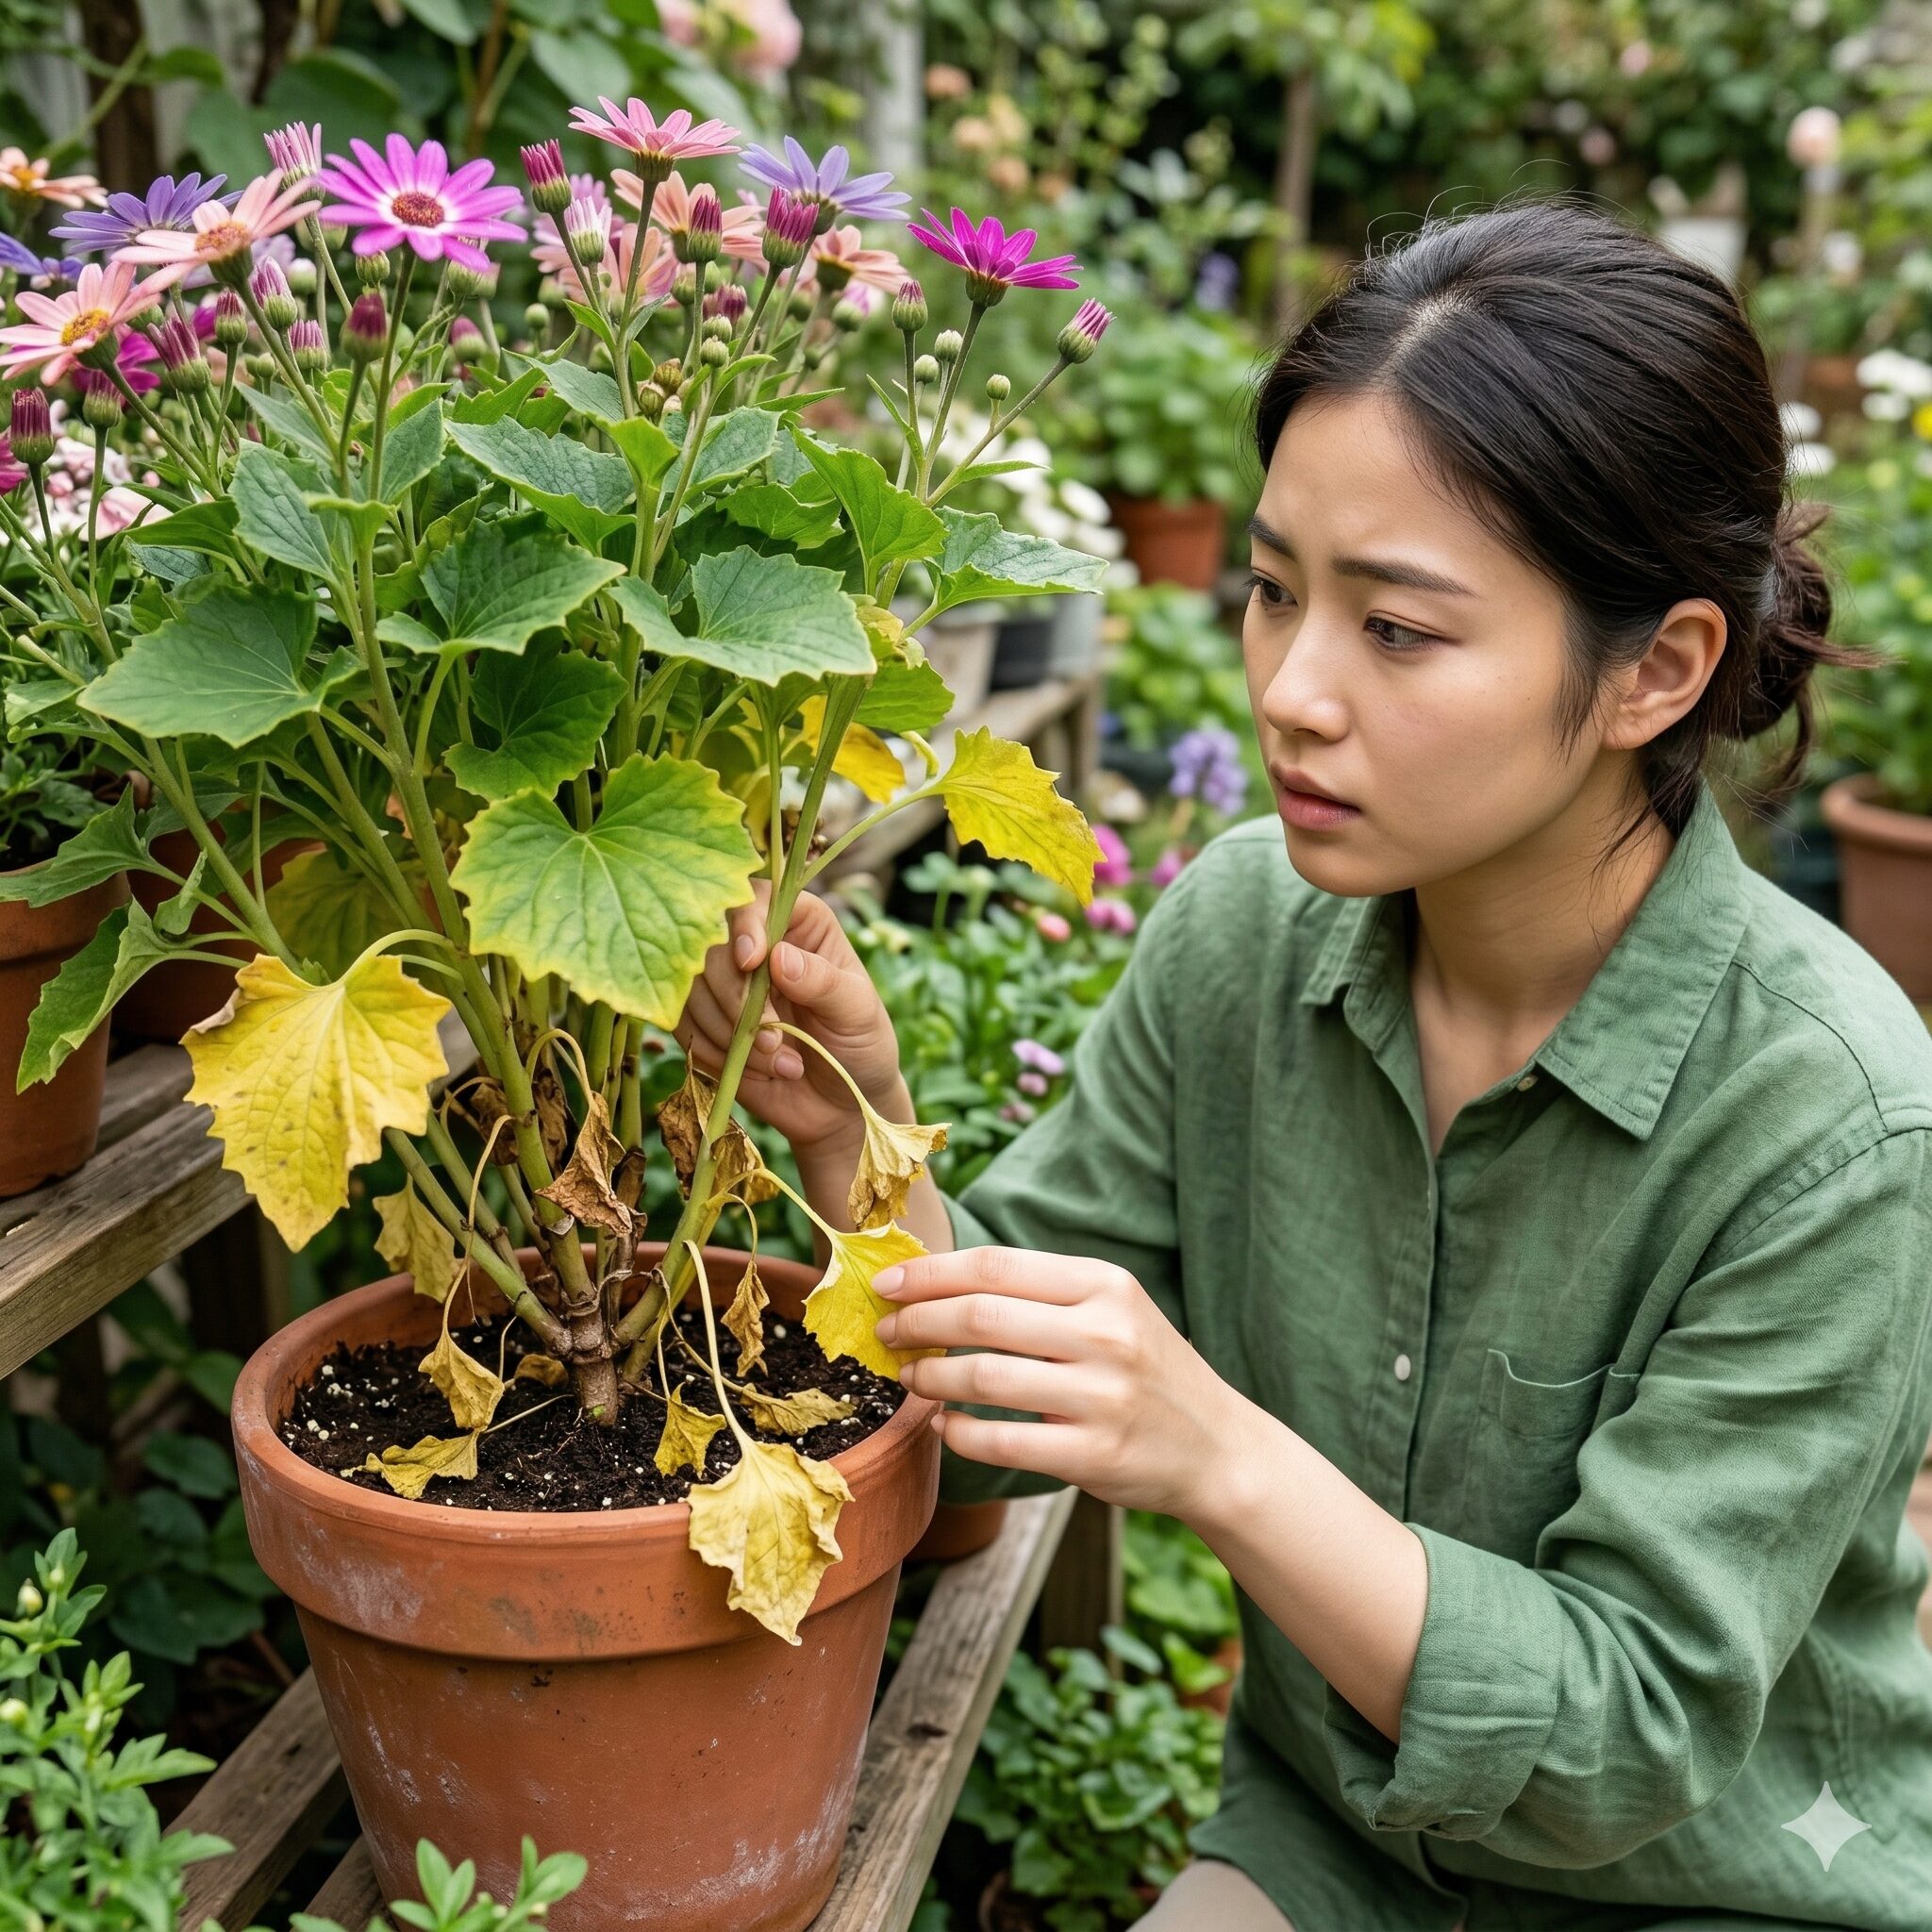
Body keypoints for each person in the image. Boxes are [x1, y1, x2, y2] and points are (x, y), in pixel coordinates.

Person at [675, 201, 1932, 1932]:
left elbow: (1621, 1741)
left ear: (1658, 666)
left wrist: (1213, 1449)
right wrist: (856, 1133)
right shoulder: (1245, 933)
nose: (1292, 692)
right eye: (1273, 592)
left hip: (1719, 1891)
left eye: (1399, 631)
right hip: (1334, 1848)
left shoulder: (1833, 1121)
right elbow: (973, 1435)